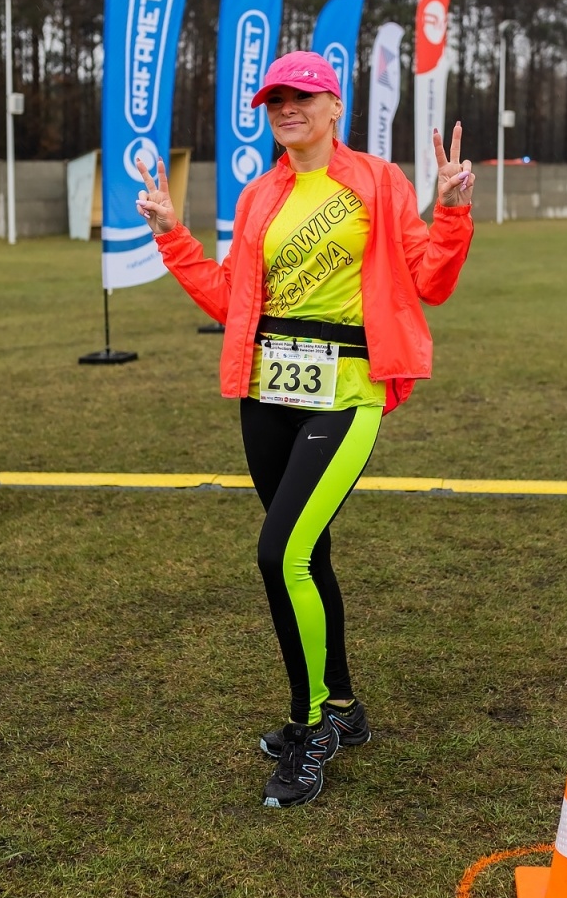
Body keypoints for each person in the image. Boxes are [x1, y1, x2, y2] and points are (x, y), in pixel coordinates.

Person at [133, 50, 475, 808]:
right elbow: (230, 300)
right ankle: (345, 710)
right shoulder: (260, 196)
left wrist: (449, 210)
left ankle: (309, 724)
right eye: (273, 100)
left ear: (331, 107)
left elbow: (431, 281)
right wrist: (171, 234)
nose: (284, 109)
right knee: (308, 555)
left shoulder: (380, 183)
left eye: (299, 97)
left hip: (345, 392)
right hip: (267, 393)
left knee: (277, 554)